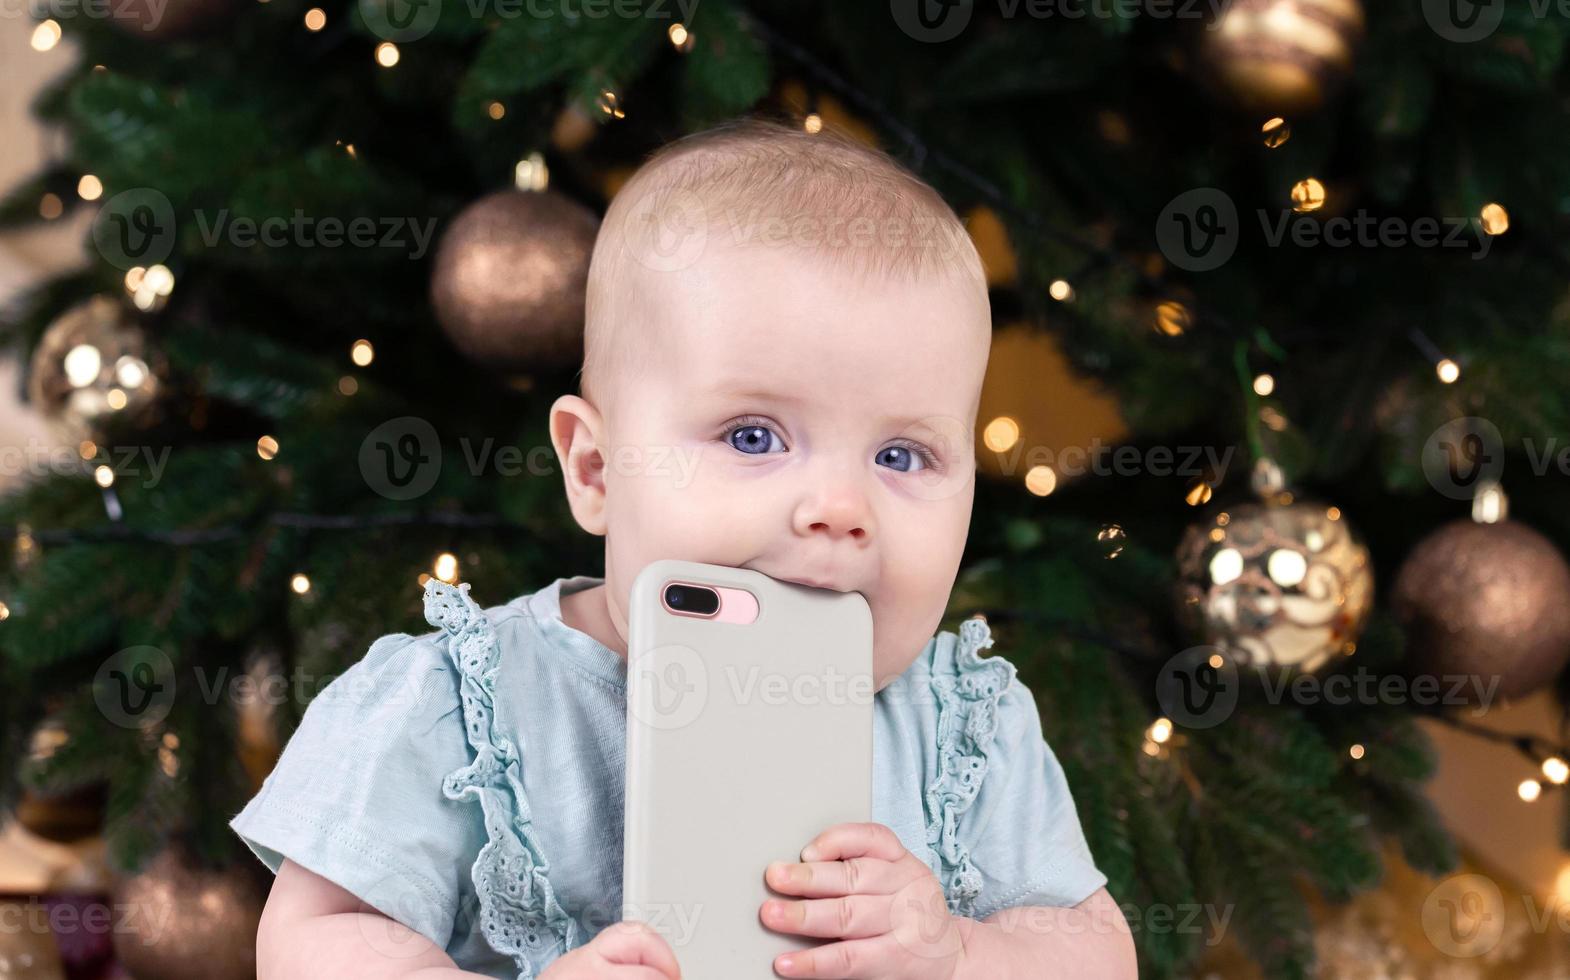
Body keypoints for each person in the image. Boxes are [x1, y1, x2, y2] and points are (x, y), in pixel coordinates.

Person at [233, 117, 1136, 980]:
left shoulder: (963, 729)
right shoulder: (462, 707)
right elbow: (320, 940)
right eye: (753, 437)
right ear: (594, 468)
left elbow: (1093, 951)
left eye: (902, 455)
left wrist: (961, 955)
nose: (838, 508)